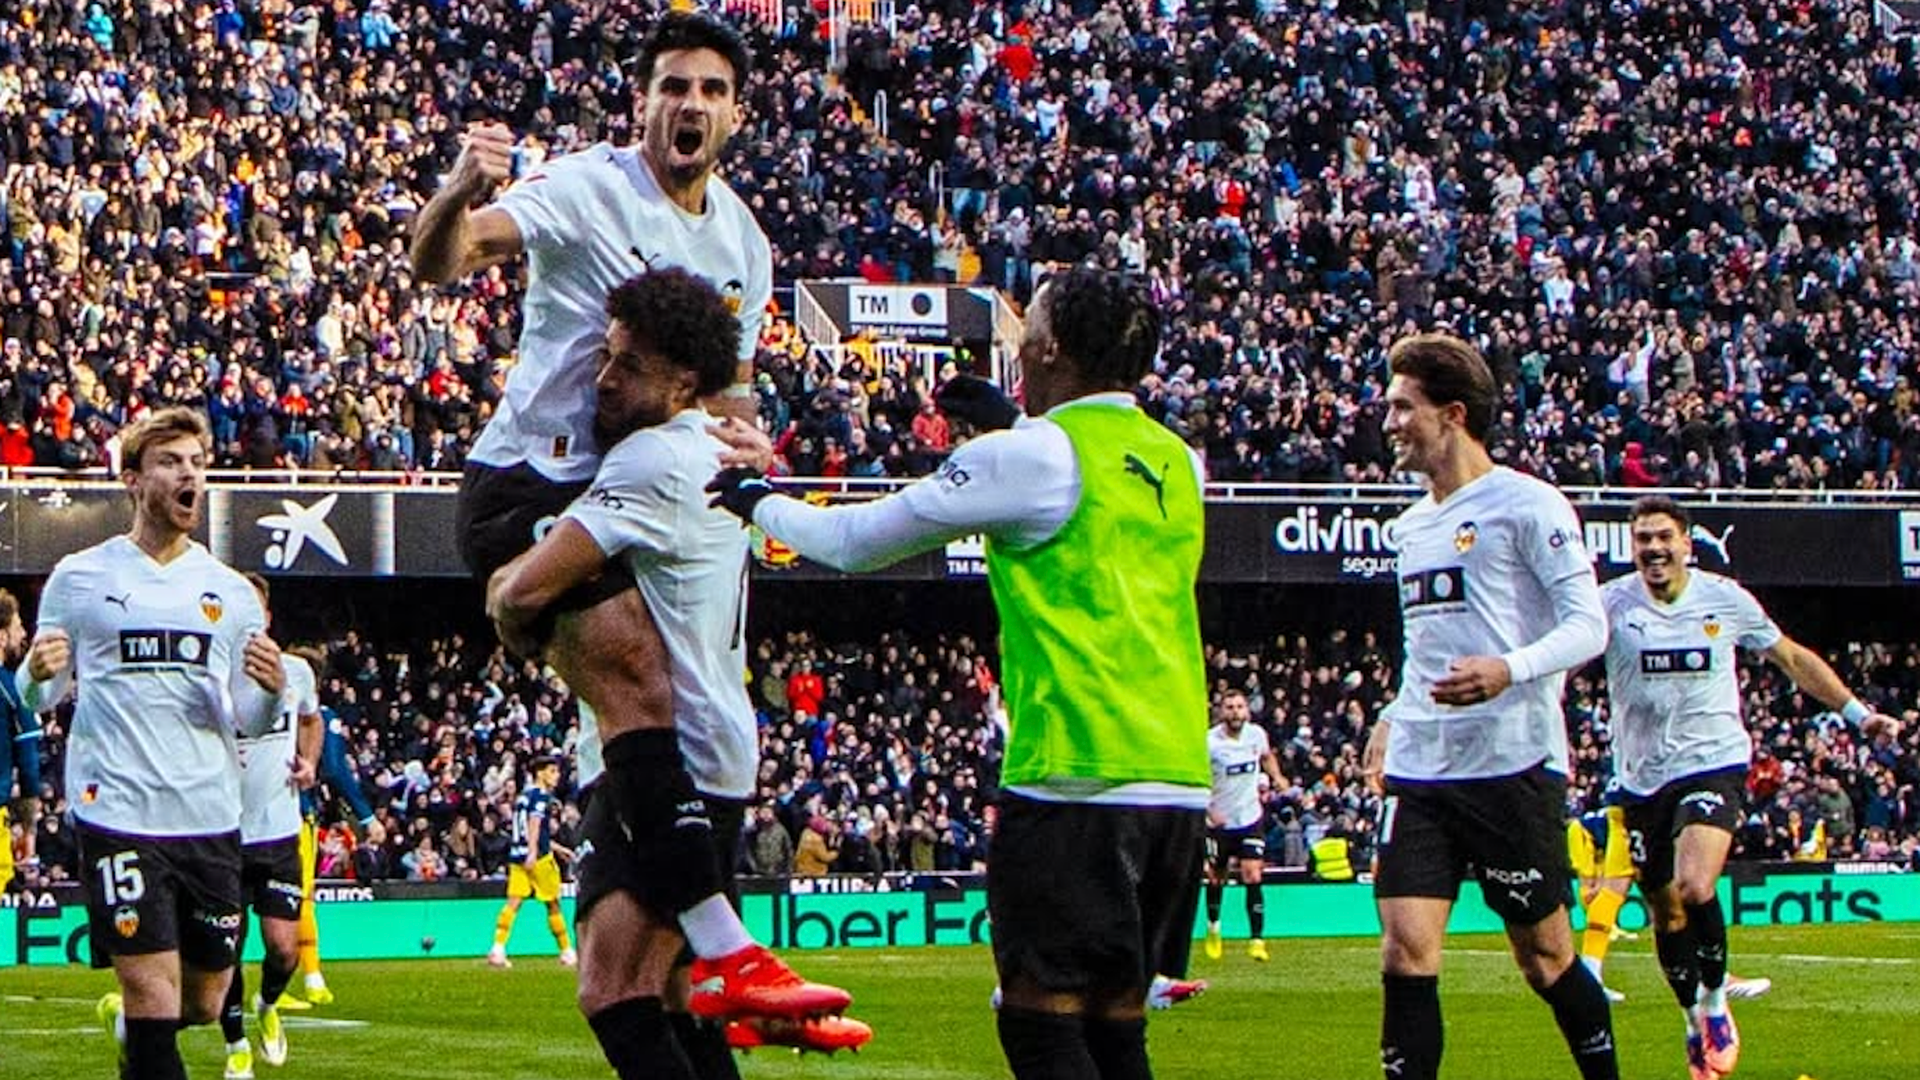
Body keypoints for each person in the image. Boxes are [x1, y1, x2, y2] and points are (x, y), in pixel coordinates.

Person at [413, 8, 831, 1049]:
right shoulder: (587, 188)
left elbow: (729, 400)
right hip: (528, 481)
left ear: (737, 113)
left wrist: (750, 451)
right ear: (640, 100)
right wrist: (462, 191)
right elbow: (446, 259)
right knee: (642, 682)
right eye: (672, 86)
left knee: (626, 964)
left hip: (628, 503)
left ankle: (704, 949)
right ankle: (726, 940)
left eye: (711, 90)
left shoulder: (744, 238)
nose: (689, 104)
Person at [709, 266, 1210, 1080]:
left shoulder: (1034, 455)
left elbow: (854, 543)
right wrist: (1013, 422)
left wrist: (757, 495)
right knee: (1117, 1030)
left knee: (1041, 1025)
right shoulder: (1180, 461)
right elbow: (1092, 493)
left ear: (1044, 347)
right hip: (1176, 783)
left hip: (1074, 775)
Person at [486, 269, 863, 1077]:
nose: (605, 379)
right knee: (674, 992)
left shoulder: (654, 460)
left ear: (683, 380)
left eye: (628, 365)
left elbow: (531, 584)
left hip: (668, 753)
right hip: (707, 741)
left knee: (615, 990)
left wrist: (505, 606)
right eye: (606, 359)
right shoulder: (711, 451)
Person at [1359, 334, 1618, 1080]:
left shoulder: (1528, 505)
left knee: (1544, 959)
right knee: (1406, 948)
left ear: (1454, 413)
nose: (1390, 422)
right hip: (1422, 769)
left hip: (1513, 765)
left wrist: (1510, 669)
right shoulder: (1409, 528)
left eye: (1403, 407)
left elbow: (1587, 626)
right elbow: (1428, 650)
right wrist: (1390, 715)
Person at [16, 407, 285, 1080]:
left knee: (202, 1001)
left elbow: (250, 719)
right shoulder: (81, 577)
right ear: (133, 480)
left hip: (211, 815)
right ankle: (137, 1029)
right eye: (171, 462)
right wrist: (33, 673)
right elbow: (38, 698)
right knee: (153, 1002)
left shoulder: (229, 593)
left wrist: (273, 690)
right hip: (119, 811)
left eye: (196, 462)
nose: (188, 473)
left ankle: (127, 1025)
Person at [1600, 495, 1899, 1080]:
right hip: (1641, 779)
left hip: (1713, 761)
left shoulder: (1725, 600)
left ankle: (1715, 1003)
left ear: (1687, 542)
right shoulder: (1609, 605)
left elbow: (1789, 656)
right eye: (1643, 540)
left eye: (1664, 537)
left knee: (1694, 884)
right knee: (1664, 912)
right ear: (1631, 546)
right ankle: (1691, 1015)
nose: (1654, 549)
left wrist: (1859, 715)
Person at [219, 575, 324, 1080]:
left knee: (283, 948)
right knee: (226, 951)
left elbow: (311, 719)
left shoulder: (297, 671)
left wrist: (309, 762)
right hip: (221, 833)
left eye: (255, 609)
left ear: (267, 617)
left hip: (279, 831)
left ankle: (267, 1005)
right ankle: (235, 1043)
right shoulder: (213, 673)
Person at [1201, 688, 1288, 963]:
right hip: (1219, 821)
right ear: (1221, 711)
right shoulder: (1210, 742)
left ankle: (1257, 939)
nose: (1236, 712)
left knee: (1253, 875)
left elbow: (1266, 756)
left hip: (1249, 818)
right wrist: (1210, 809)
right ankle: (1214, 927)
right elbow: (1199, 776)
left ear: (1246, 710)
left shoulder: (1256, 735)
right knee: (1217, 876)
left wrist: (1277, 776)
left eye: (1239, 706)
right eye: (1230, 707)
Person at [487, 755, 576, 968]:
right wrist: (534, 852)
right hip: (537, 858)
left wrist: (558, 848)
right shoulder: (541, 797)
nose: (557, 776)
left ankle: (497, 949)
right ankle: (566, 951)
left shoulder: (523, 796)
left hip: (517, 855)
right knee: (553, 903)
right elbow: (534, 824)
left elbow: (528, 829)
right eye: (552, 771)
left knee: (513, 903)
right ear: (540, 773)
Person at [1565, 802, 1634, 1002]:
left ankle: (1608, 928)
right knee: (1589, 887)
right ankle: (1590, 977)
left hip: (1601, 837)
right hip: (1582, 833)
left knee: (1606, 889)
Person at [0, 588, 42, 896]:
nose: (23, 633)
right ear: (2, 637)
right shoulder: (12, 689)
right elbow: (28, 768)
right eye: (17, 627)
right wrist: (28, 828)